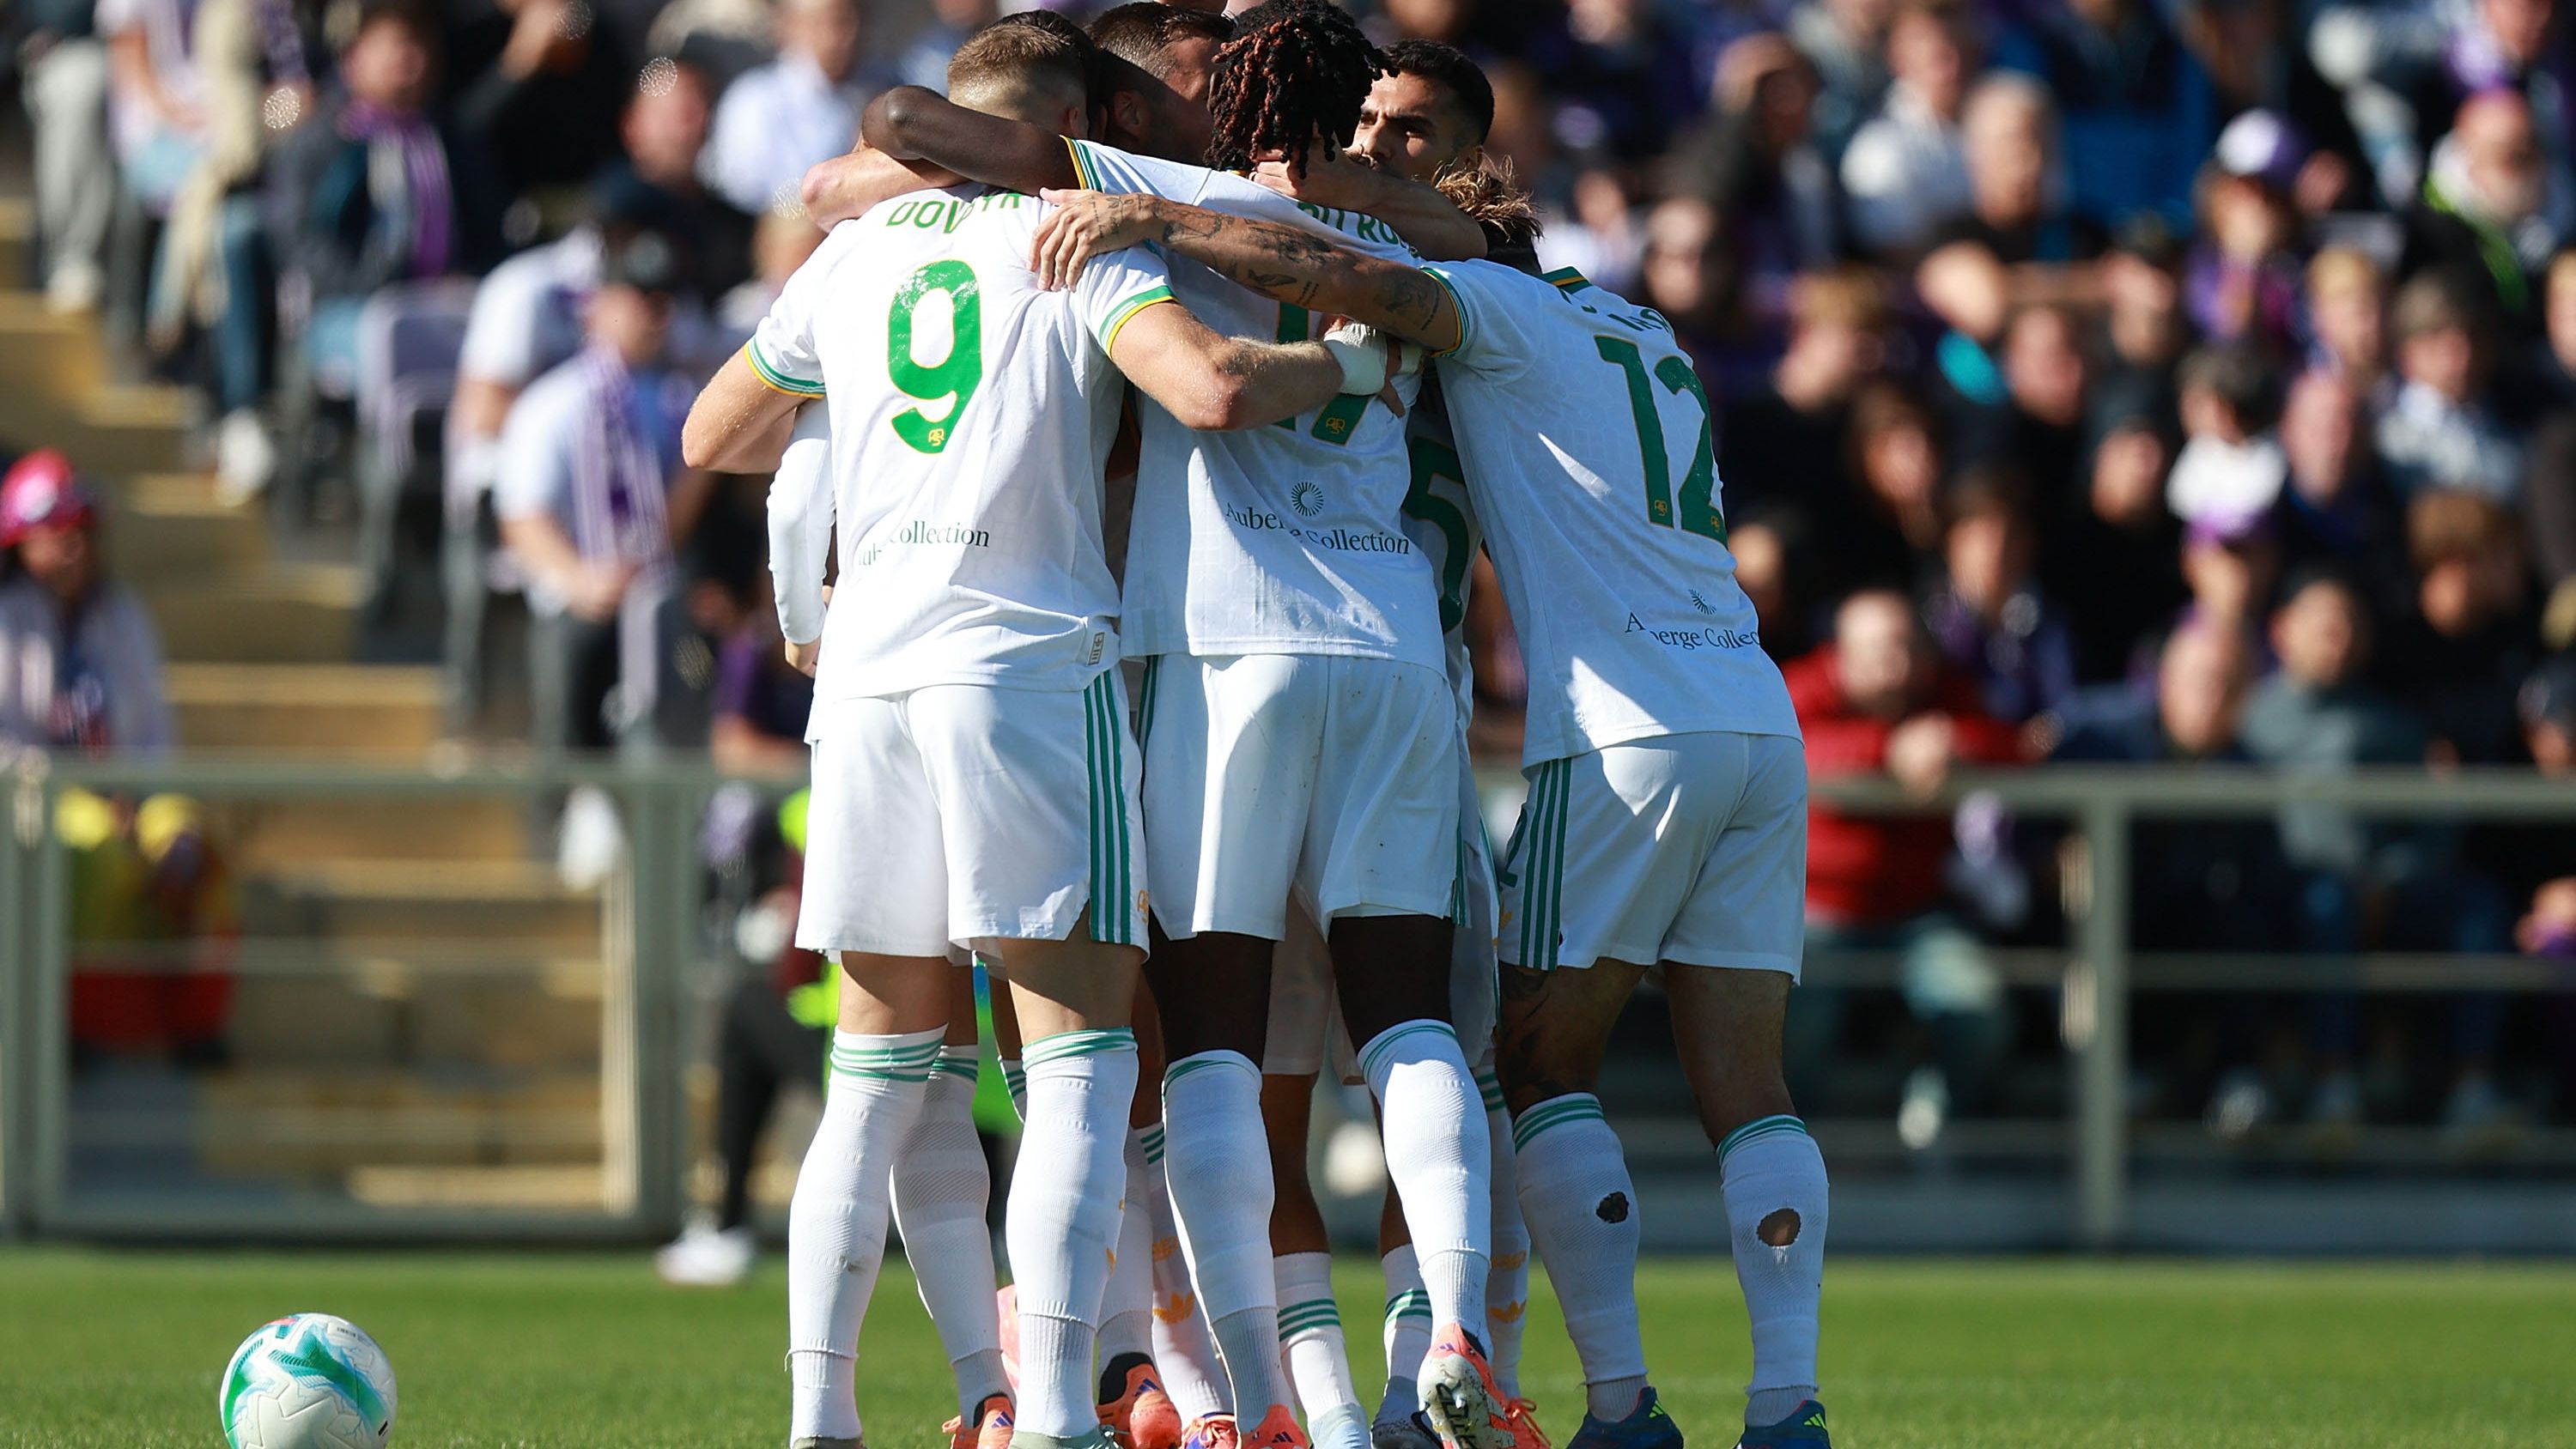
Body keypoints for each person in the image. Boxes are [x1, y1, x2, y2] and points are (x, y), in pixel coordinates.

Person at [1030, 142, 1843, 1449]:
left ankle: (1619, 1405)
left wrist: (1162, 212)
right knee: (1749, 1085)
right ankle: (1787, 1400)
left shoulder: (1496, 307)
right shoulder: (1647, 329)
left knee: (1531, 1060)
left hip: (1617, 725)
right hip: (1753, 703)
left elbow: (1350, 273)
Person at [677, 18, 1413, 1449]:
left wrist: (871, 417)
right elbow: (1207, 385)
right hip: (1023, 658)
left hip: (870, 674)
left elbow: (718, 433)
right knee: (1078, 1058)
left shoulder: (856, 254)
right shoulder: (1074, 234)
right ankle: (1069, 1407)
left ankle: (822, 1416)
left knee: (877, 1070)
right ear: (1077, 120)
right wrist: (1349, 370)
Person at [833, 11, 1508, 1449]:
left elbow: (902, 140)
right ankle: (1450, 1337)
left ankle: (1259, 1398)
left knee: (1203, 1044)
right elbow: (1391, 254)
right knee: (1411, 1024)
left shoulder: (1167, 190)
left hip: (1221, 647)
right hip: (1397, 645)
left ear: (1225, 101)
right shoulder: (1422, 247)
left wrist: (1124, 190)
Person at [0, 451, 239, 1065]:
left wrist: (139, 791)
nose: (75, 549)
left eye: (83, 533)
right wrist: (89, 797)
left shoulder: (123, 613)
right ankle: (79, 1029)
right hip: (43, 796)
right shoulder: (7, 618)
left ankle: (196, 1025)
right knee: (97, 856)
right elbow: (8, 740)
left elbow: (154, 727)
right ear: (21, 544)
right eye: (58, 535)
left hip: (134, 787)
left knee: (192, 849)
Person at [1781, 589, 2022, 1145]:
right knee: (1790, 1022)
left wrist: (1955, 743)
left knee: (1978, 1012)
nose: (1894, 664)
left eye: (1908, 646)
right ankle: (1789, 1148)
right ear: (1839, 653)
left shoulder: (1945, 695)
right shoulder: (1800, 685)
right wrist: (1889, 751)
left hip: (1919, 914)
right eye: (1876, 649)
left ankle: (1939, 1121)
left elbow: (2017, 746)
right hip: (1813, 913)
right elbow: (1790, 744)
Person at [700, 0, 883, 214]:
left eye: (853, 21)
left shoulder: (879, 87)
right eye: (827, 22)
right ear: (787, 27)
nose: (844, 36)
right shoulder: (754, 102)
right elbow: (742, 197)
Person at [1838, 0, 1975, 261]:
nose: (1954, 69)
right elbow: (1898, 256)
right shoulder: (1879, 150)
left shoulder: (1996, 120)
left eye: (1963, 52)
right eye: (1940, 58)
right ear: (1898, 59)